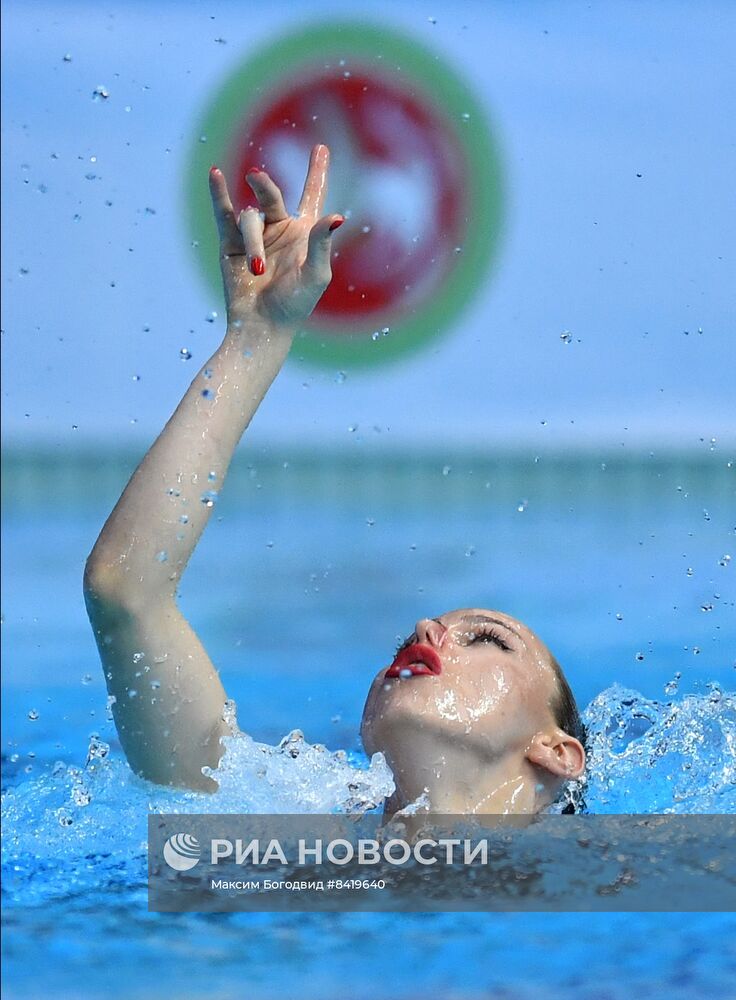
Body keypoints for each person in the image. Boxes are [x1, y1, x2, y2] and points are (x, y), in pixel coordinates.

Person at [83, 144, 586, 815]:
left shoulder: (604, 881)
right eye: (428, 630)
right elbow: (126, 593)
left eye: (487, 639)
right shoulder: (273, 823)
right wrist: (255, 340)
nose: (423, 632)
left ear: (557, 754)